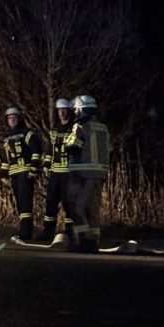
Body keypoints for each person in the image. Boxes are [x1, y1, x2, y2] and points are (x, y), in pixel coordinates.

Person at [65, 94, 110, 252]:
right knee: (93, 208)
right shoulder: (103, 128)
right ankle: (94, 240)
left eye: (76, 110)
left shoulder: (80, 127)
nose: (75, 113)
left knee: (77, 207)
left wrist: (63, 144)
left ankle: (83, 240)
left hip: (82, 173)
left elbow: (72, 146)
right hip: (100, 174)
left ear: (81, 109)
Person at [0, 105, 42, 240]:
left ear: (19, 119)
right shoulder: (7, 137)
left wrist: (34, 167)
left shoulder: (27, 133)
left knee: (25, 201)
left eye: (14, 118)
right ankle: (24, 229)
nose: (12, 120)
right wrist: (3, 173)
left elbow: (36, 149)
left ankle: (26, 231)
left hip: (25, 171)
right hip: (14, 173)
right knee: (19, 202)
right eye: (10, 118)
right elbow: (6, 158)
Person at [42, 97, 74, 243]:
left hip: (68, 171)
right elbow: (50, 149)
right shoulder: (54, 129)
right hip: (55, 171)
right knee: (51, 201)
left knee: (68, 202)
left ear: (69, 111)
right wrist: (46, 165)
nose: (61, 113)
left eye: (64, 110)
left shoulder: (73, 128)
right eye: (59, 110)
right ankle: (48, 231)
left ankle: (70, 231)